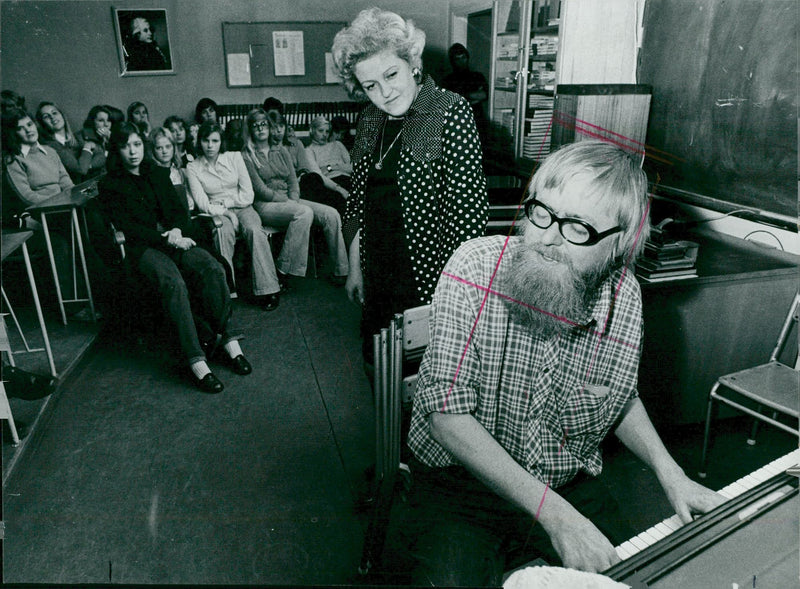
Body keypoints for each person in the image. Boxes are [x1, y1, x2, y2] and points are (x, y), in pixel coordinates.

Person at [379, 140, 725, 586]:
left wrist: (671, 475)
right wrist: (558, 518)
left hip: (565, 483)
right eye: (541, 211)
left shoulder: (625, 296)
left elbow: (618, 397)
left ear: (619, 244)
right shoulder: (475, 267)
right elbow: (447, 417)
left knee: (642, 576)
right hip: (461, 485)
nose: (546, 237)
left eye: (577, 227)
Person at [331, 8, 488, 363]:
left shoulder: (447, 109)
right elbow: (357, 202)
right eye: (370, 85)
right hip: (378, 272)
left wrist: (449, 299)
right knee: (378, 367)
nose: (384, 93)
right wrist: (356, 268)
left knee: (422, 383)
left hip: (429, 278)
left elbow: (467, 218)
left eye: (391, 74)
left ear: (412, 63)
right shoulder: (370, 119)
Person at [98, 123, 249, 394]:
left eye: (136, 145)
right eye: (125, 146)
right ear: (116, 150)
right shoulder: (109, 183)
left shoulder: (156, 172)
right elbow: (127, 227)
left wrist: (177, 229)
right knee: (173, 282)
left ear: (143, 146)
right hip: (143, 247)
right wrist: (166, 237)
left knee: (212, 268)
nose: (132, 152)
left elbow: (177, 210)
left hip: (175, 237)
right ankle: (197, 360)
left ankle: (228, 342)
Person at [241, 108, 348, 284]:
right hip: (265, 205)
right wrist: (288, 201)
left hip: (290, 200)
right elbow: (260, 190)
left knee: (332, 214)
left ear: (269, 127)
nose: (260, 129)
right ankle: (283, 270)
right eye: (255, 125)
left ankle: (342, 270)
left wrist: (294, 197)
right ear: (250, 130)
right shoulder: (246, 156)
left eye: (263, 124)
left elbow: (292, 179)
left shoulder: (281, 150)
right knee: (303, 213)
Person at [185, 120, 281, 311]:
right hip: (215, 214)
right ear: (199, 142)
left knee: (255, 230)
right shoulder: (193, 168)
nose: (210, 146)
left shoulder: (235, 157)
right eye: (206, 141)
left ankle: (269, 289)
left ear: (221, 141)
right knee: (223, 232)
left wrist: (228, 205)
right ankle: (227, 291)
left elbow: (248, 195)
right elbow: (202, 203)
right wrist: (227, 213)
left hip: (242, 207)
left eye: (215, 140)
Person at [441, 43, 489, 142]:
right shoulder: (448, 80)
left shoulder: (477, 76)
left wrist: (464, 95)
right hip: (457, 122)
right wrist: (473, 96)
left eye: (463, 57)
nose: (461, 62)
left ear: (467, 58)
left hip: (477, 120)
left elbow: (485, 95)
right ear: (452, 61)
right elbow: (450, 101)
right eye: (457, 59)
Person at [35, 101, 94, 182]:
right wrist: (87, 147)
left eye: (54, 113)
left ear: (62, 115)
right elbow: (81, 170)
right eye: (46, 117)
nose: (52, 117)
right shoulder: (51, 145)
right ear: (42, 123)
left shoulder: (77, 137)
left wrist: (87, 165)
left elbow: (101, 155)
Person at [305, 115, 353, 194]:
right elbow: (318, 176)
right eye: (320, 131)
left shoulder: (338, 144)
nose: (324, 135)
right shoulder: (309, 150)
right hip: (331, 184)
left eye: (327, 131)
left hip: (349, 179)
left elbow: (352, 168)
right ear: (312, 131)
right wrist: (340, 189)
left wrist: (330, 167)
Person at [75, 105, 112, 178]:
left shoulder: (110, 136)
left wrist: (110, 139)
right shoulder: (81, 137)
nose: (106, 124)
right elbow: (87, 166)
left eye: (108, 120)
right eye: (101, 120)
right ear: (92, 121)